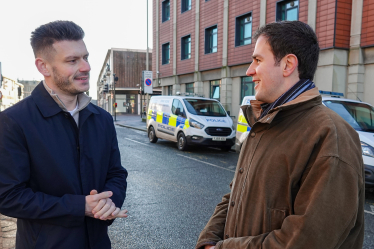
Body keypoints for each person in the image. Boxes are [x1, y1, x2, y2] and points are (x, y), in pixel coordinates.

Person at [196, 21, 364, 249]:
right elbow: (234, 198)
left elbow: (307, 240)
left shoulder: (330, 135)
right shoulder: (264, 124)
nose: (249, 71)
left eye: (257, 60)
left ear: (287, 65)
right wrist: (208, 240)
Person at [0, 21, 128, 249]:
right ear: (44, 67)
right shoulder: (14, 121)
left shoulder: (102, 119)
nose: (86, 67)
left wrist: (110, 201)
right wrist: (80, 207)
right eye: (72, 60)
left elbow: (116, 173)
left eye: (85, 57)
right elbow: (8, 196)